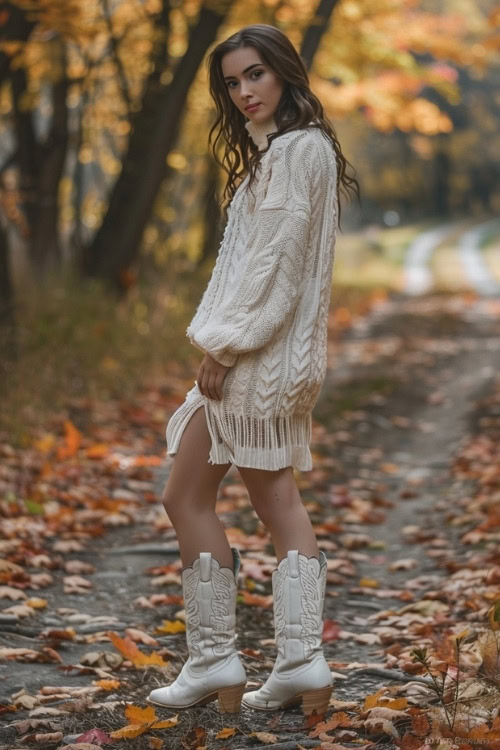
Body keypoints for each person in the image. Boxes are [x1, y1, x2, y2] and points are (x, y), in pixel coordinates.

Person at [147, 24, 360, 716]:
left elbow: (276, 273)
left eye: (256, 75)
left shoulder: (296, 153)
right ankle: (298, 663)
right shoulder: (297, 152)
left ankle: (217, 661)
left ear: (286, 74)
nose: (244, 92)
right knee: (278, 505)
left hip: (253, 363)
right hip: (275, 362)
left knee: (188, 498)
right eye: (233, 82)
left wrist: (225, 346)